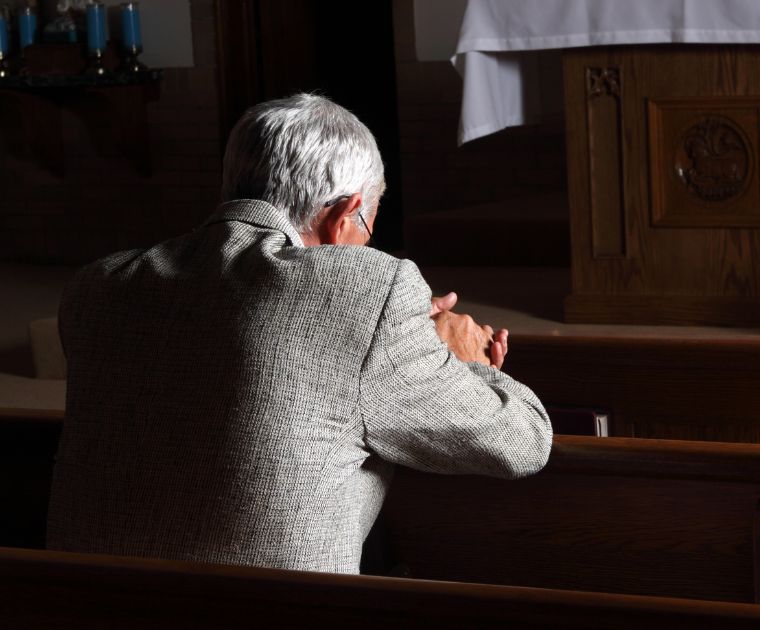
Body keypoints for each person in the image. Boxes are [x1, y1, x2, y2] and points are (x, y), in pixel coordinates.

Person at [45, 93, 552, 574]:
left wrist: (395, 343)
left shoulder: (98, 285)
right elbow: (524, 442)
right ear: (341, 216)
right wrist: (459, 360)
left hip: (81, 609)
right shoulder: (370, 289)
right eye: (366, 227)